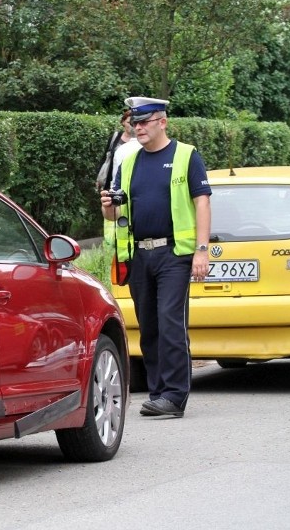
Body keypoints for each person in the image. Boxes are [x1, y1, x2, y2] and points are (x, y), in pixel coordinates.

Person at [100, 96, 211, 418]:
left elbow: (202, 202)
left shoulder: (186, 155)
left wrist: (201, 251)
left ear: (162, 122)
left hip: (175, 253)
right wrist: (108, 205)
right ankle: (158, 391)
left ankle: (175, 396)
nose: (137, 128)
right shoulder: (130, 162)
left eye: (143, 123)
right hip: (140, 254)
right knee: (148, 326)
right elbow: (114, 214)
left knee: (170, 322)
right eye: (134, 123)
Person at [98, 110, 138, 246]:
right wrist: (101, 178)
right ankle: (111, 240)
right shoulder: (116, 138)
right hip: (113, 180)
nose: (133, 126)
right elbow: (107, 158)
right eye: (129, 122)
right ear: (123, 122)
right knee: (111, 208)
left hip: (124, 183)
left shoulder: (140, 143)